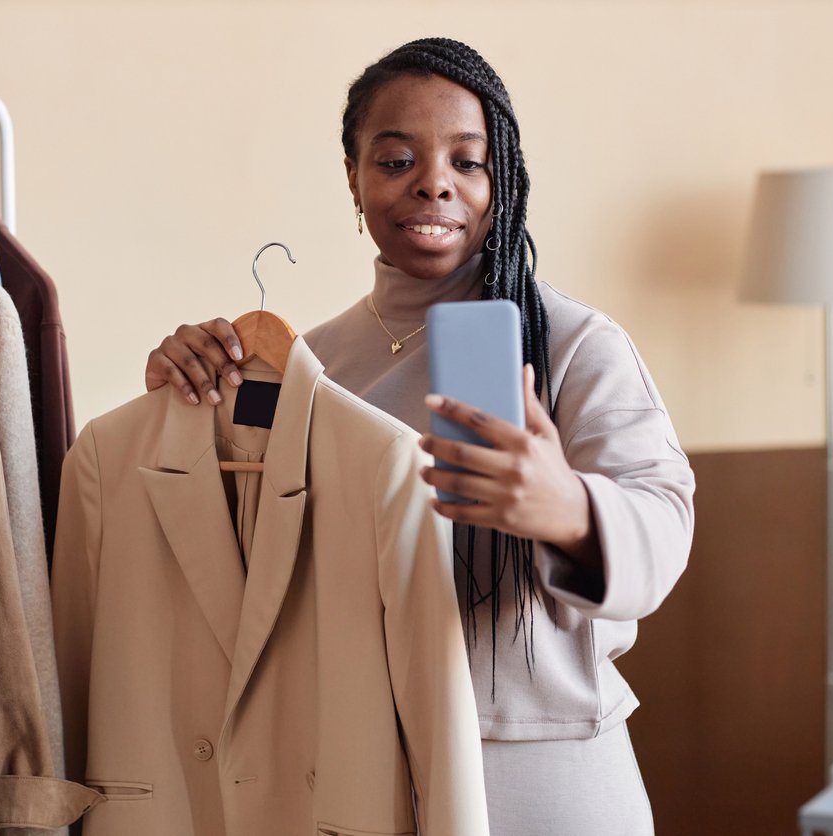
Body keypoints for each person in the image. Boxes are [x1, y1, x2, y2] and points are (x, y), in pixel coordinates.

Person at [143, 37, 694, 836]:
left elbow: (664, 521)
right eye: (397, 159)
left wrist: (567, 508)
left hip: (538, 778)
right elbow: (251, 561)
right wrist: (188, 387)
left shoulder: (573, 343)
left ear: (501, 180)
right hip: (358, 778)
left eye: (467, 162)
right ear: (353, 176)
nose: (434, 181)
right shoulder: (313, 363)